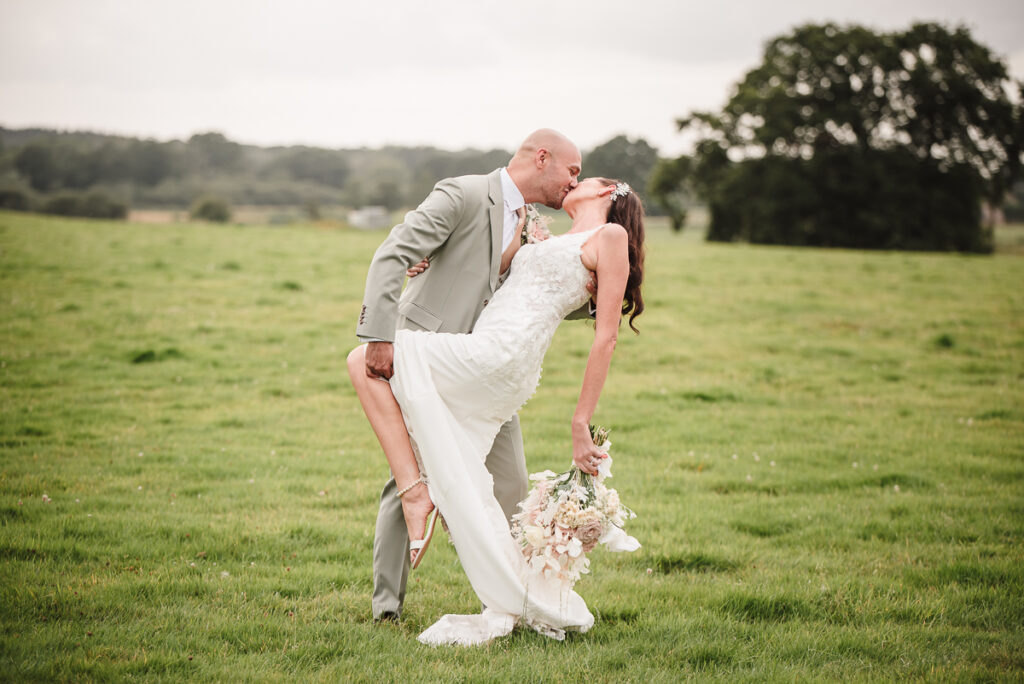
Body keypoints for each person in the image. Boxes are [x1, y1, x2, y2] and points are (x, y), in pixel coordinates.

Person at [348, 174, 646, 645]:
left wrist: (580, 421)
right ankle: (517, 596)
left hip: (503, 354)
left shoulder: (610, 236)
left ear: (607, 191)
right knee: (459, 473)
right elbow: (493, 274)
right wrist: (427, 259)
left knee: (362, 361)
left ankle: (416, 493)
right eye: (571, 171)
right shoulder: (543, 237)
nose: (574, 180)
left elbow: (605, 336)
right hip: (493, 352)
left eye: (582, 176)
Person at [353, 129, 584, 623]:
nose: (574, 181)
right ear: (542, 158)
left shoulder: (530, 223)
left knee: (512, 483)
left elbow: (540, 293)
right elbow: (394, 253)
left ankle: (514, 600)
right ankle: (387, 608)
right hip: (430, 359)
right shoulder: (463, 193)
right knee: (410, 480)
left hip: (487, 368)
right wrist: (379, 336)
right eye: (572, 170)